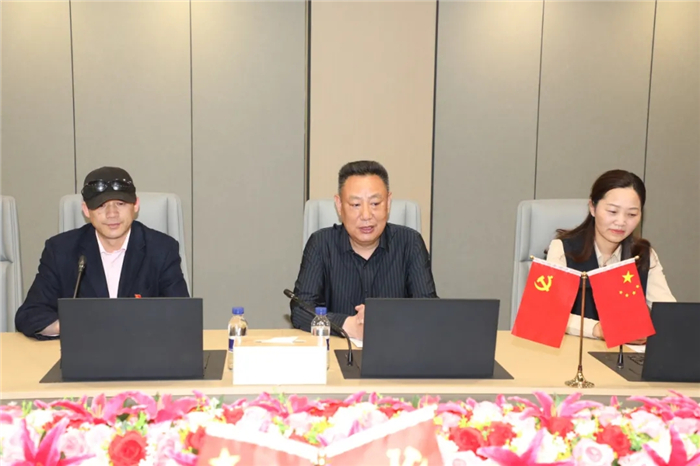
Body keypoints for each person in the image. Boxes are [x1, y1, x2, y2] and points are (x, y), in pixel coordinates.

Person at [15, 166, 189, 339]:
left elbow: (182, 316)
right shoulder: (61, 250)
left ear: (136, 205)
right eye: (101, 205)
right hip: (84, 351)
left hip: (143, 349)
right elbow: (29, 315)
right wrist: (73, 326)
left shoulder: (162, 249)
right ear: (86, 210)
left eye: (120, 204)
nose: (112, 214)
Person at [290, 160, 437, 340]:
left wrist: (382, 320)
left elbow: (429, 311)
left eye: (375, 203)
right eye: (355, 205)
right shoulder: (321, 244)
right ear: (339, 205)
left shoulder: (410, 243)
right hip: (335, 352)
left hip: (395, 351)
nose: (366, 215)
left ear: (388, 202)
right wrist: (347, 325)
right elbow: (301, 311)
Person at [546, 169, 675, 343]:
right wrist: (599, 329)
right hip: (573, 352)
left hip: (624, 354)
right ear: (592, 207)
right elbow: (549, 313)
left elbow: (669, 314)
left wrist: (646, 328)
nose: (621, 222)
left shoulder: (643, 255)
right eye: (613, 211)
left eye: (631, 214)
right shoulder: (563, 249)